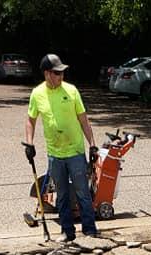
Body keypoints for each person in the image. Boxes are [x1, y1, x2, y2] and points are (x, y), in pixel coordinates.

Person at [24, 53, 97, 242]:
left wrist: (92, 144)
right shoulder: (37, 94)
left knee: (83, 192)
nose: (61, 76)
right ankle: (67, 231)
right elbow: (30, 121)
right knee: (62, 195)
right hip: (55, 154)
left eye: (62, 73)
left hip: (75, 152)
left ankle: (90, 230)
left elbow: (83, 119)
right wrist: (29, 143)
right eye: (57, 73)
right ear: (47, 74)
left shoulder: (71, 91)